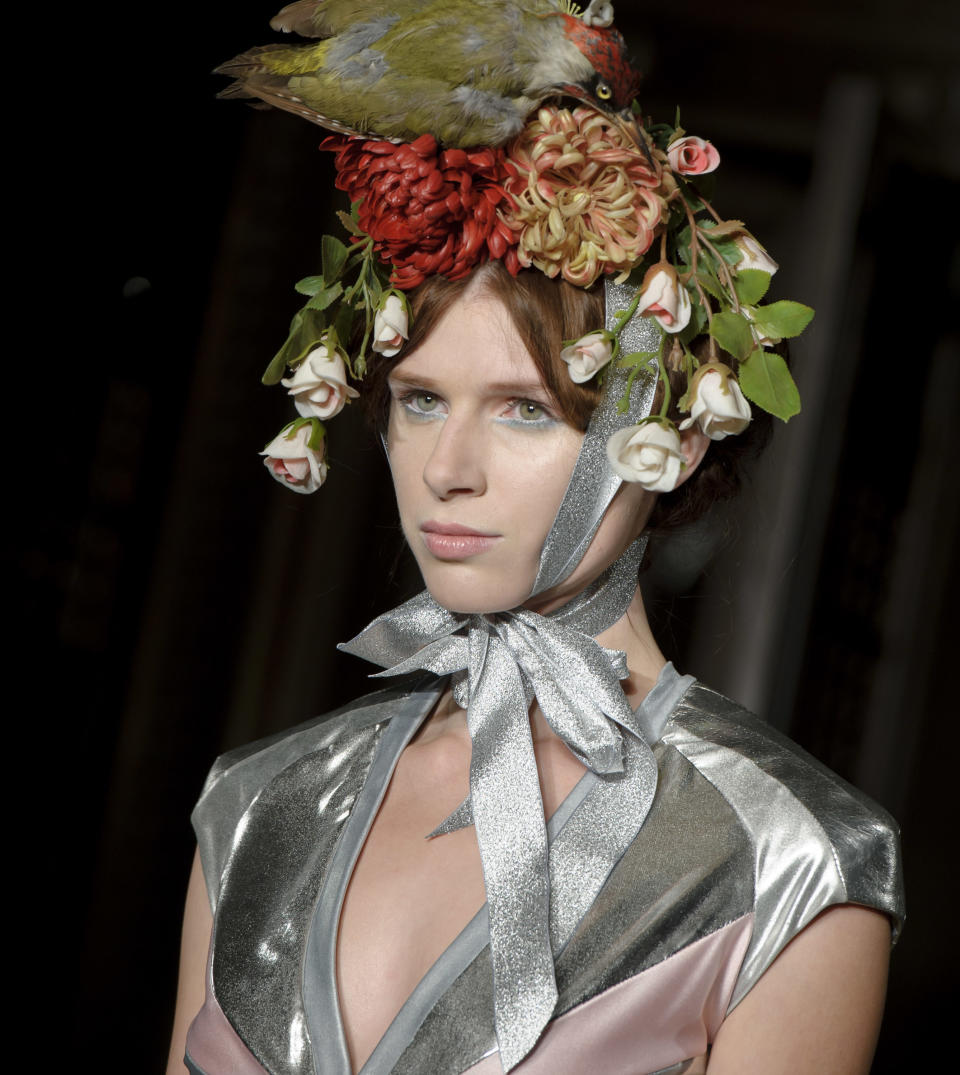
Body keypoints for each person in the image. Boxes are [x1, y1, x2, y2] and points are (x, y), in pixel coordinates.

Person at [166, 258, 902, 1075]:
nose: (448, 469)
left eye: (526, 409)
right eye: (421, 400)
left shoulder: (789, 864)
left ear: (678, 442)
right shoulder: (254, 803)